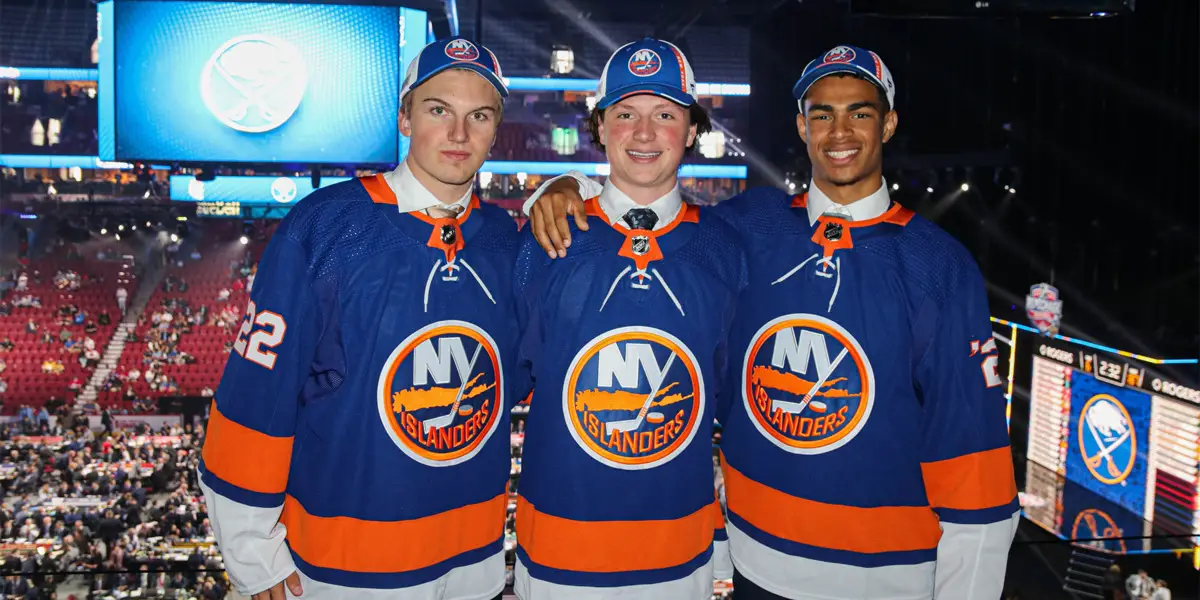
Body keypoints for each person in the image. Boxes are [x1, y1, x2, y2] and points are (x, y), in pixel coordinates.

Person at [523, 44, 1019, 600]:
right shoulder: (747, 228)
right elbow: (646, 211)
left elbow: (977, 473)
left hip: (888, 580)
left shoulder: (938, 264)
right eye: (822, 114)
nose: (840, 132)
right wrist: (565, 187)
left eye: (859, 111)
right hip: (753, 567)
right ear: (802, 126)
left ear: (889, 123)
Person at [199, 37, 520, 600]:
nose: (458, 134)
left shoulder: (504, 239)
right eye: (438, 109)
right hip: (344, 569)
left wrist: (574, 187)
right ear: (404, 117)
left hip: (475, 564)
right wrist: (252, 550)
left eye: (480, 116)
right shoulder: (322, 227)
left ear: (496, 130)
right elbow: (255, 398)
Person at [511, 38, 741, 599]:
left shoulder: (726, 249)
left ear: (691, 131)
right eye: (626, 114)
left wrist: (726, 549)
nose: (644, 133)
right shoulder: (546, 239)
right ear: (600, 127)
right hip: (559, 555)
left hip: (680, 558)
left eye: (665, 115)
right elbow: (501, 385)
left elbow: (736, 409)